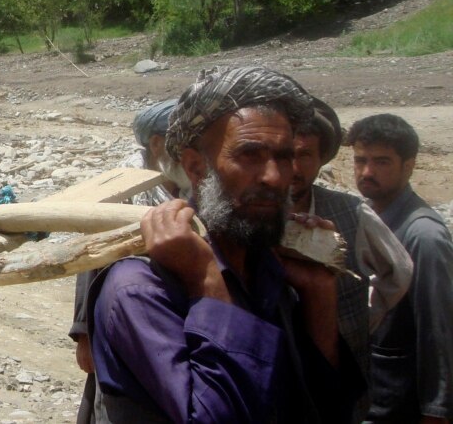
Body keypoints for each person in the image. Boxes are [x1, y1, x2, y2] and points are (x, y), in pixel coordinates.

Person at [88, 66, 362, 423]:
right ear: (196, 168)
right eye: (249, 155)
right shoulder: (139, 288)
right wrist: (207, 283)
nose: (276, 177)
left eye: (283, 156)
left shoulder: (269, 271)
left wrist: (319, 295)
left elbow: (327, 409)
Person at [289, 100, 412, 422]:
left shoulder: (351, 213)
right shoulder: (250, 218)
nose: (294, 169)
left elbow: (397, 273)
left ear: (320, 160)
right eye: (286, 155)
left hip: (341, 381)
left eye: (305, 156)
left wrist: (358, 319)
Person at [348, 114, 453, 422]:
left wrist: (437, 410)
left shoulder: (422, 235)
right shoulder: (365, 218)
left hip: (399, 406)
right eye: (360, 160)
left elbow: (438, 329)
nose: (367, 172)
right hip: (372, 398)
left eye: (381, 162)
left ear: (408, 166)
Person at [70, 98, 181, 373]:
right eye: (184, 141)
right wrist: (85, 334)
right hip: (123, 311)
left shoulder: (196, 184)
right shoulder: (121, 189)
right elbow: (91, 258)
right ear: (157, 144)